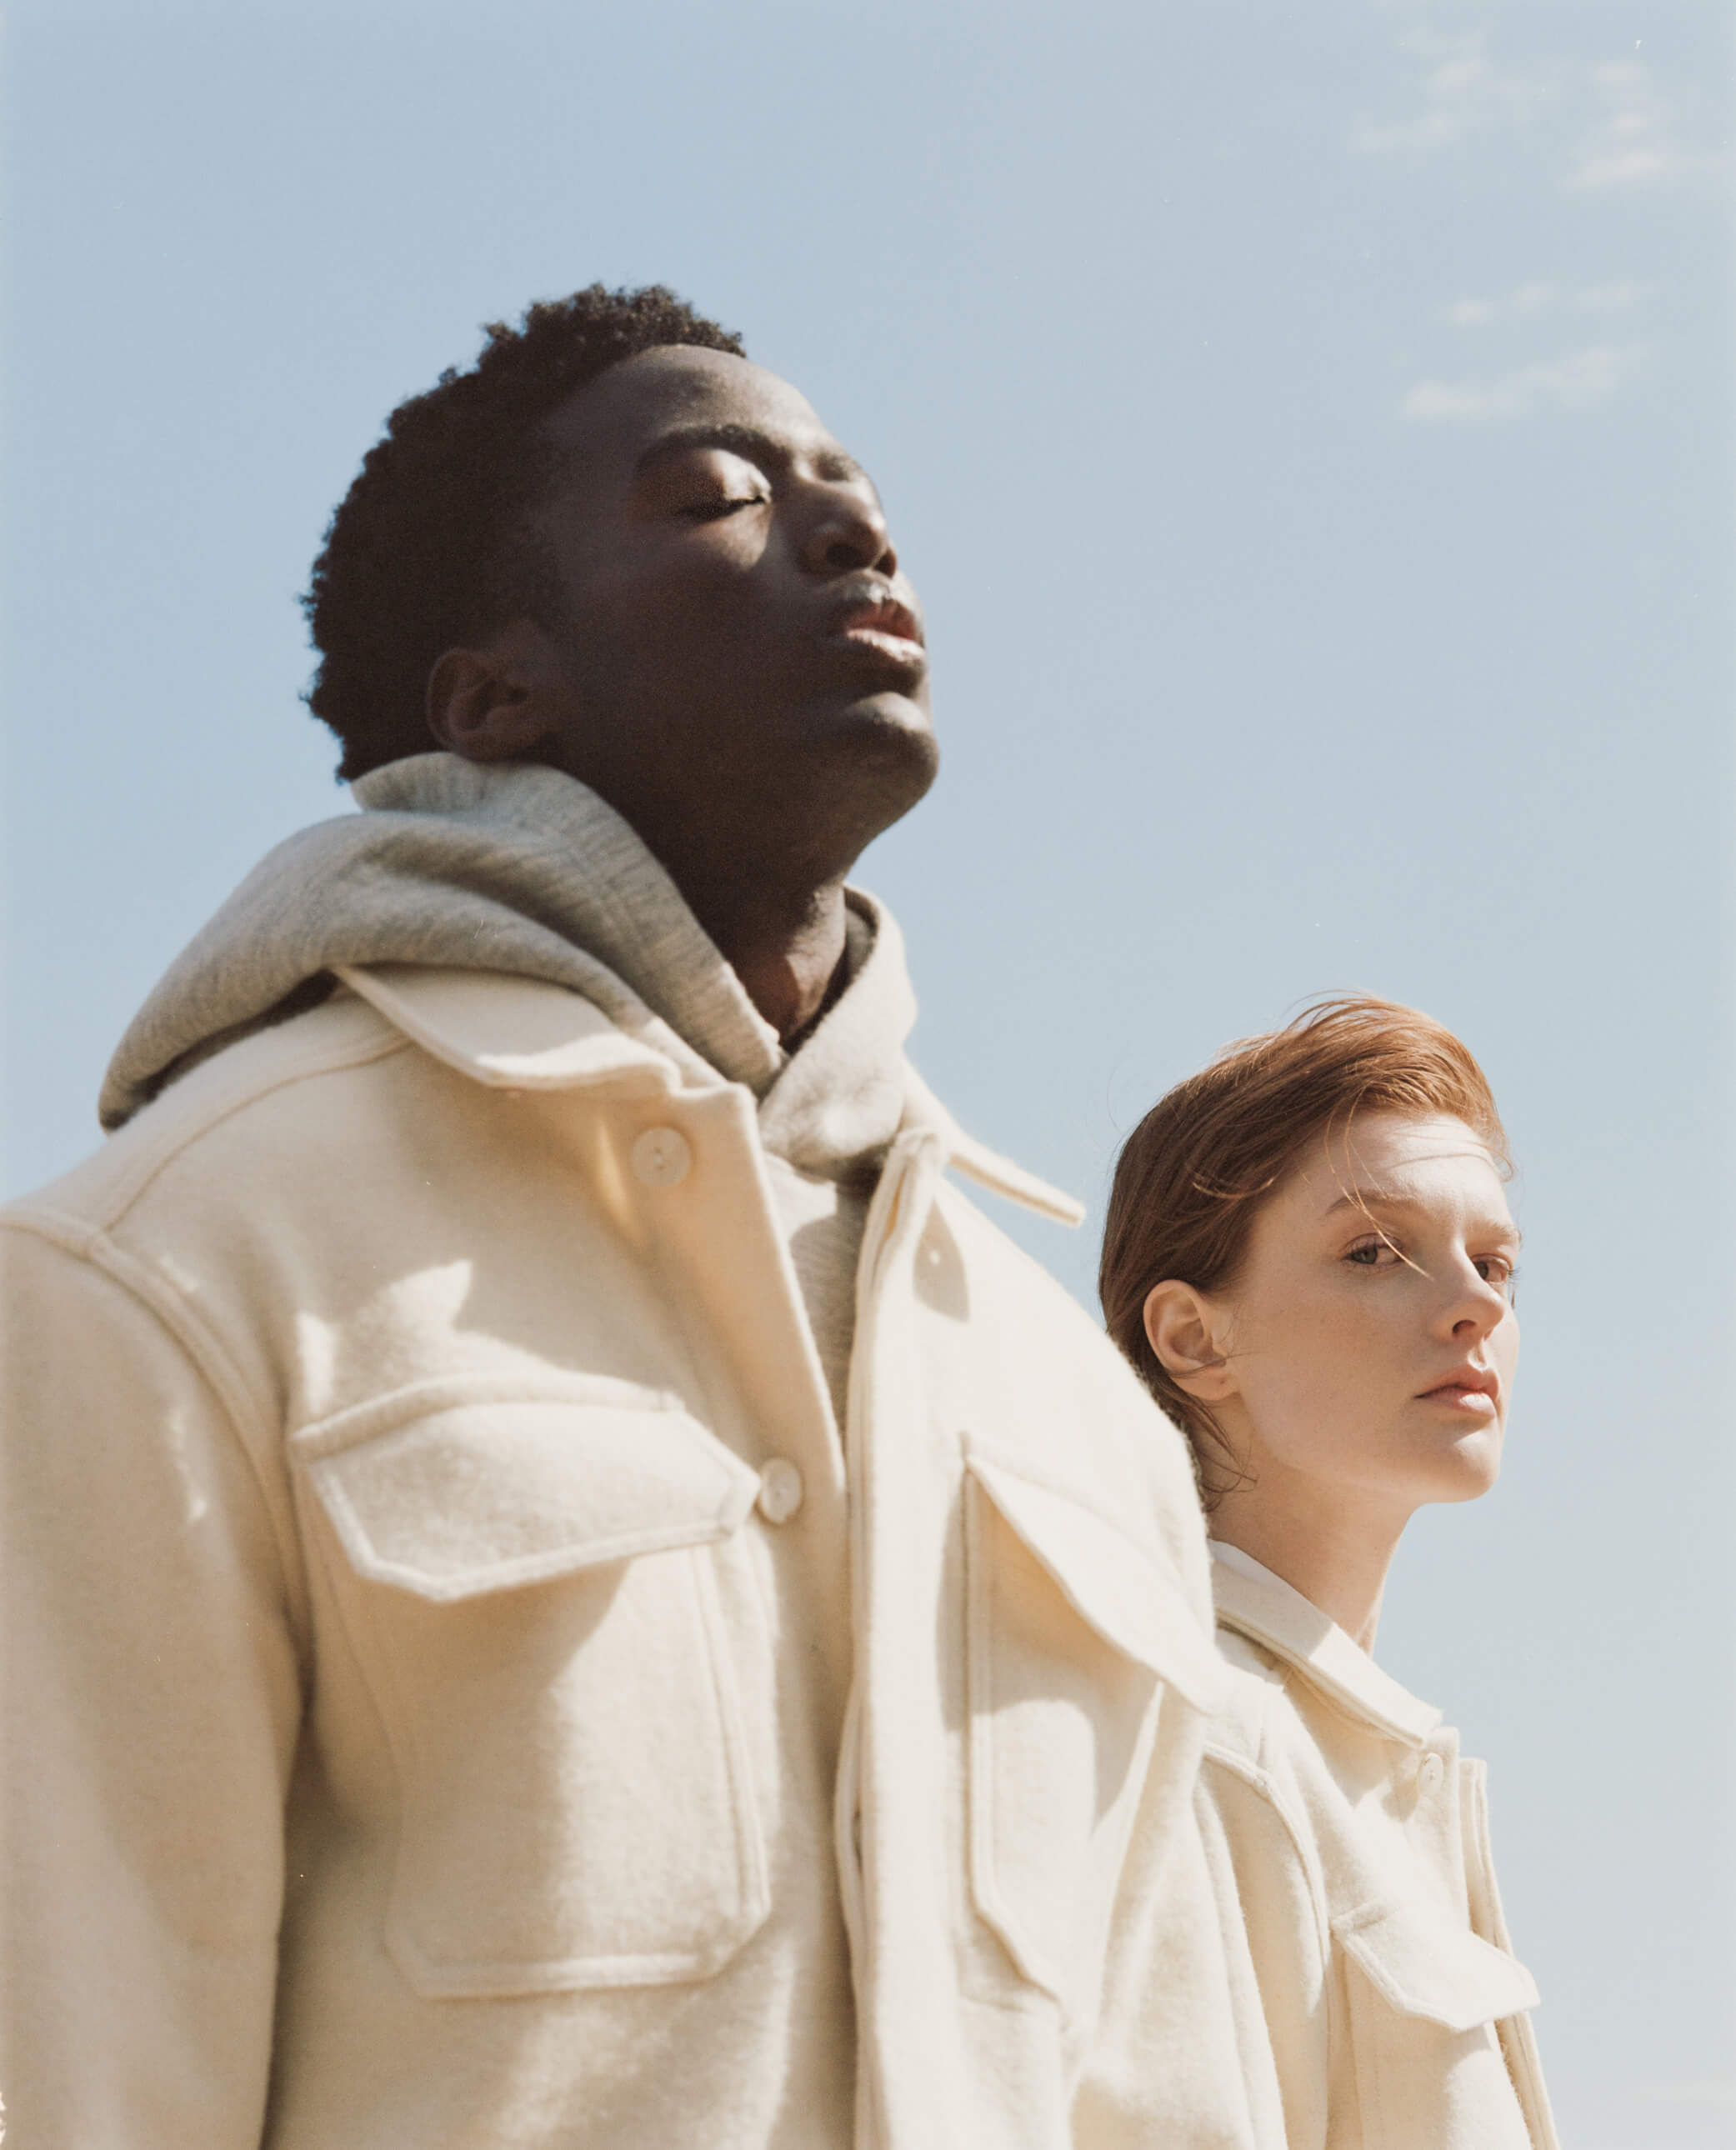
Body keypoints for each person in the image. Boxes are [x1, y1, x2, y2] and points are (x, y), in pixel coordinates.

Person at [1, 287, 1241, 2148]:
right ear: (493, 692)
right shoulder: (170, 1272)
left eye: (855, 489)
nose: (848, 528)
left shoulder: (1068, 1409)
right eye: (714, 495)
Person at [1098, 996, 1560, 2150]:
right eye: (1374, 1251)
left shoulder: (1346, 1763)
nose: (1476, 1303)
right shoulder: (1193, 1742)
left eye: (1494, 1259)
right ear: (1195, 1339)